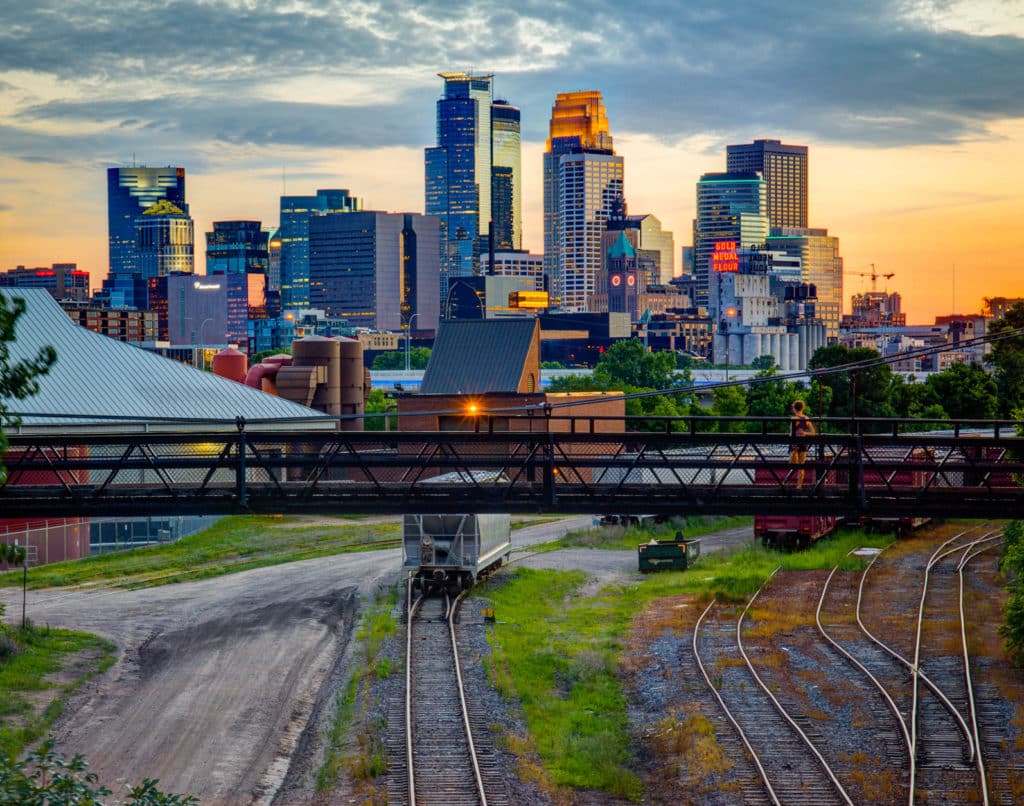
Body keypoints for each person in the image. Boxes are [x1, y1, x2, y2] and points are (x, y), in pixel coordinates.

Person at [790, 400, 815, 488]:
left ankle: (794, 452)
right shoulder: (806, 418)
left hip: (794, 442)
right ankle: (799, 485)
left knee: (792, 463)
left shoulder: (793, 419)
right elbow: (813, 432)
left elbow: (791, 432)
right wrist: (805, 433)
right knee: (801, 465)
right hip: (804, 442)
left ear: (794, 408)